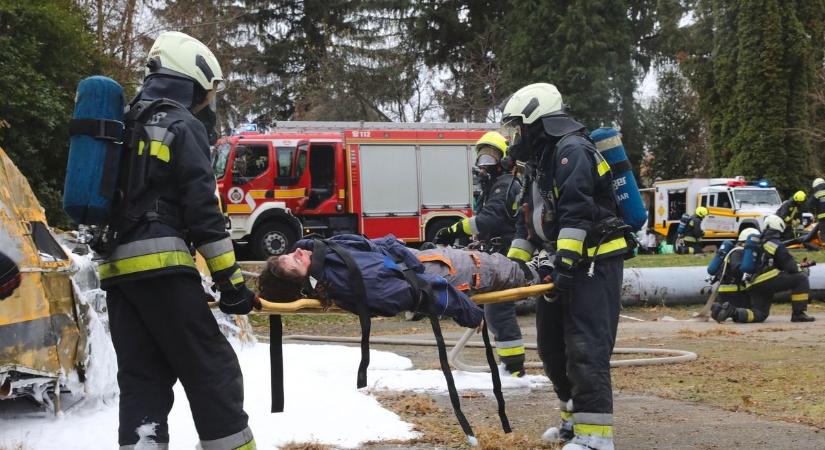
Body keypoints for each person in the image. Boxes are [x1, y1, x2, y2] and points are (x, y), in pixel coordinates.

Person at [97, 31, 257, 449]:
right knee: (213, 370)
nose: (205, 103)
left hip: (117, 275)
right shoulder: (181, 124)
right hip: (161, 268)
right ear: (190, 80)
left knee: (143, 379)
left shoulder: (121, 123)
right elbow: (205, 216)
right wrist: (232, 284)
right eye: (204, 94)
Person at [501, 83, 629, 450]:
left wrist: (567, 261)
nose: (514, 136)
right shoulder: (540, 160)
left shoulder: (572, 150)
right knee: (552, 348)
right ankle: (573, 423)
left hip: (593, 264)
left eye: (518, 127)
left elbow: (577, 210)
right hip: (561, 265)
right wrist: (511, 268)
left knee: (586, 346)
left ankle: (596, 438)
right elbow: (530, 221)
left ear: (538, 121)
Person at [258, 233, 536, 327]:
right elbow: (421, 292)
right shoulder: (356, 280)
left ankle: (541, 268)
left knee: (513, 268)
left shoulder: (327, 257)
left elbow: (371, 246)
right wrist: (469, 314)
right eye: (295, 260)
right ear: (303, 281)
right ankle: (547, 274)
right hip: (454, 273)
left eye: (289, 253)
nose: (296, 251)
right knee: (515, 273)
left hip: (435, 261)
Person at [434, 131, 527, 376]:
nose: (485, 164)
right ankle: (510, 366)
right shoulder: (493, 186)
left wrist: (454, 228)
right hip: (493, 252)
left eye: (491, 157)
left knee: (499, 311)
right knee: (491, 310)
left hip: (505, 253)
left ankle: (514, 370)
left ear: (504, 159)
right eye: (482, 158)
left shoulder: (506, 184)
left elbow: (489, 219)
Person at [714, 215, 814, 323]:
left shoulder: (757, 241)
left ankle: (733, 312)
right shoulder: (774, 243)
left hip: (753, 284)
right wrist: (800, 268)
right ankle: (799, 314)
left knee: (760, 314)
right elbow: (791, 267)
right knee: (801, 278)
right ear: (779, 228)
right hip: (767, 281)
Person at [709, 228, 759, 322]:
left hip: (723, 292)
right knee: (753, 312)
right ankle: (730, 310)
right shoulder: (738, 252)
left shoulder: (731, 251)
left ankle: (718, 308)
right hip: (735, 293)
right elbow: (737, 270)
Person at [811, 178, 825, 243]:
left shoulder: (817, 194)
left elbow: (809, 204)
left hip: (822, 219)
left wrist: (814, 213)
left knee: (823, 233)